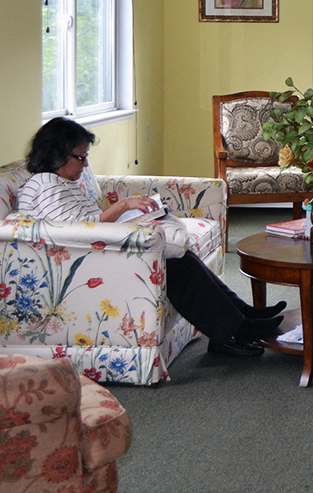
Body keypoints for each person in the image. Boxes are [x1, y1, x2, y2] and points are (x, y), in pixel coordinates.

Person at [17, 117, 285, 358]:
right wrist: (123, 207)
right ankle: (235, 329)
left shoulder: (61, 182)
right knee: (177, 265)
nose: (85, 164)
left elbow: (82, 227)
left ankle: (241, 318)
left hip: (94, 253)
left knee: (181, 256)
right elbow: (78, 230)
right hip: (83, 267)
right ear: (57, 155)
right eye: (80, 157)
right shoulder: (47, 185)